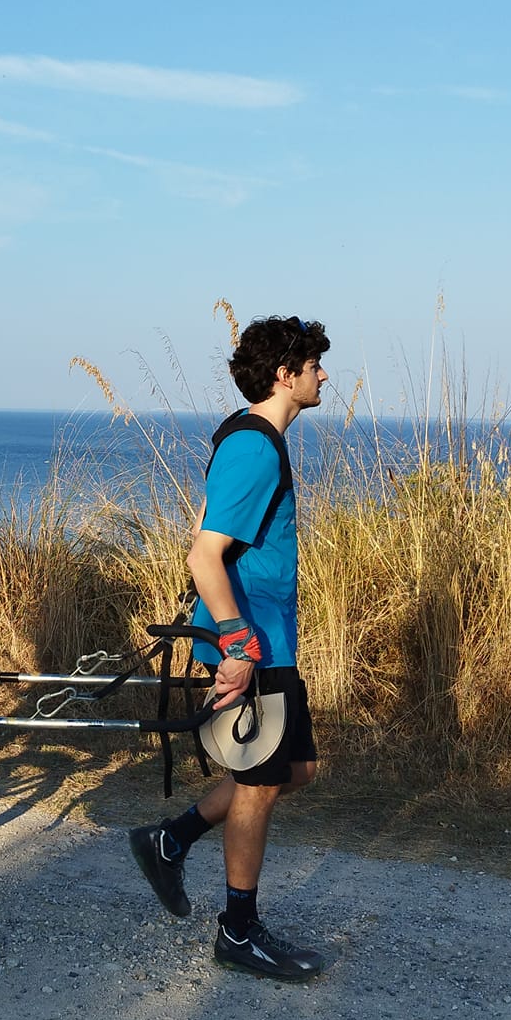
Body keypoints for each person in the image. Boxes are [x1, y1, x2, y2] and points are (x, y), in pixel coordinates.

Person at [127, 315, 331, 982]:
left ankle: (170, 838)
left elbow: (207, 530)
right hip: (254, 640)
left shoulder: (258, 440)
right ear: (285, 374)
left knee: (290, 772)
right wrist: (236, 642)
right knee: (261, 785)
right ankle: (237, 931)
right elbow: (203, 553)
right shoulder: (255, 447)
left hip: (271, 640)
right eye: (314, 365)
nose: (323, 375)